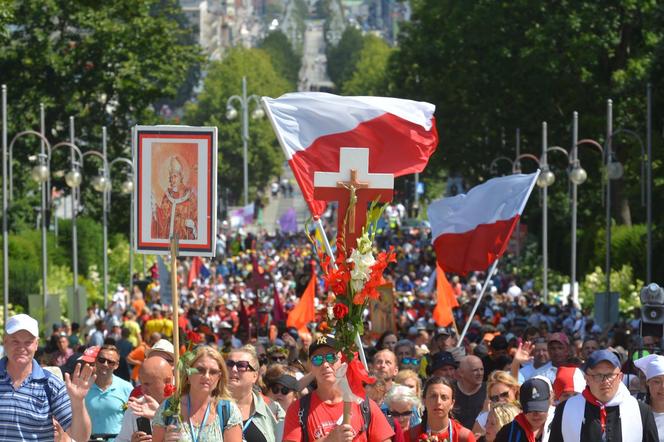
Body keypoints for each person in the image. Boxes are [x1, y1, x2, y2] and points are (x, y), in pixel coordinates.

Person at [0, 313, 93, 442]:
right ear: (5, 341)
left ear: (36, 344)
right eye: (15, 341)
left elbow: (81, 437)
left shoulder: (52, 385)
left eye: (28, 342)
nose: (21, 348)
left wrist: (78, 403)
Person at [283, 335, 394, 442]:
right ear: (311, 366)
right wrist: (329, 440)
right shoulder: (298, 409)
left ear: (342, 362)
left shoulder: (364, 405)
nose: (325, 364)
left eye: (331, 357)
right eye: (317, 359)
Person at [548, 349, 659, 441]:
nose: (605, 381)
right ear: (587, 378)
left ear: (620, 377)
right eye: (598, 375)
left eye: (610, 375)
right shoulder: (566, 409)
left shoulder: (641, 411)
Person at [152, 345, 243, 441]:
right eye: (200, 370)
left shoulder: (228, 411)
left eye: (213, 372)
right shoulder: (168, 408)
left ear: (219, 377)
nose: (207, 376)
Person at [227, 345, 284, 442]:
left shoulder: (273, 410)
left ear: (255, 376)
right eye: (230, 364)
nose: (234, 369)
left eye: (241, 365)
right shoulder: (210, 407)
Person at [116, 356, 173, 442]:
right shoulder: (135, 408)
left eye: (147, 384)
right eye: (141, 383)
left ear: (167, 381)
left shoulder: (184, 406)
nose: (142, 390)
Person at [405, 376, 475, 441]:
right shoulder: (410, 436)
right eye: (433, 396)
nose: (438, 402)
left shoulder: (464, 437)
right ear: (424, 400)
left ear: (452, 403)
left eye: (444, 397)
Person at [85, 344, 134, 439]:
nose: (105, 364)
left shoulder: (126, 388)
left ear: (116, 365)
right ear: (95, 361)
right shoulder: (83, 386)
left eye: (111, 362)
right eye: (101, 360)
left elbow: (133, 420)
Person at [152, 155, 198, 240]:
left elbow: (198, 218)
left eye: (175, 176)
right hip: (168, 243)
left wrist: (193, 224)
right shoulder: (167, 197)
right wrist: (155, 208)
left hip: (184, 243)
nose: (172, 180)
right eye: (170, 177)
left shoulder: (190, 197)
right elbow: (162, 220)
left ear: (181, 176)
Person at [494, 377, 551, 442]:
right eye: (530, 410)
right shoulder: (508, 432)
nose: (535, 414)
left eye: (540, 409)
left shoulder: (559, 427)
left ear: (549, 402)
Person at [472, 371, 520, 437]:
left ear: (514, 390)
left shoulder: (527, 412)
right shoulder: (485, 418)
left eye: (504, 394)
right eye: (495, 398)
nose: (501, 400)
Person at [454, 355, 487, 431]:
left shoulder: (490, 391)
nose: (480, 373)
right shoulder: (450, 390)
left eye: (481, 369)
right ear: (461, 373)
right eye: (475, 370)